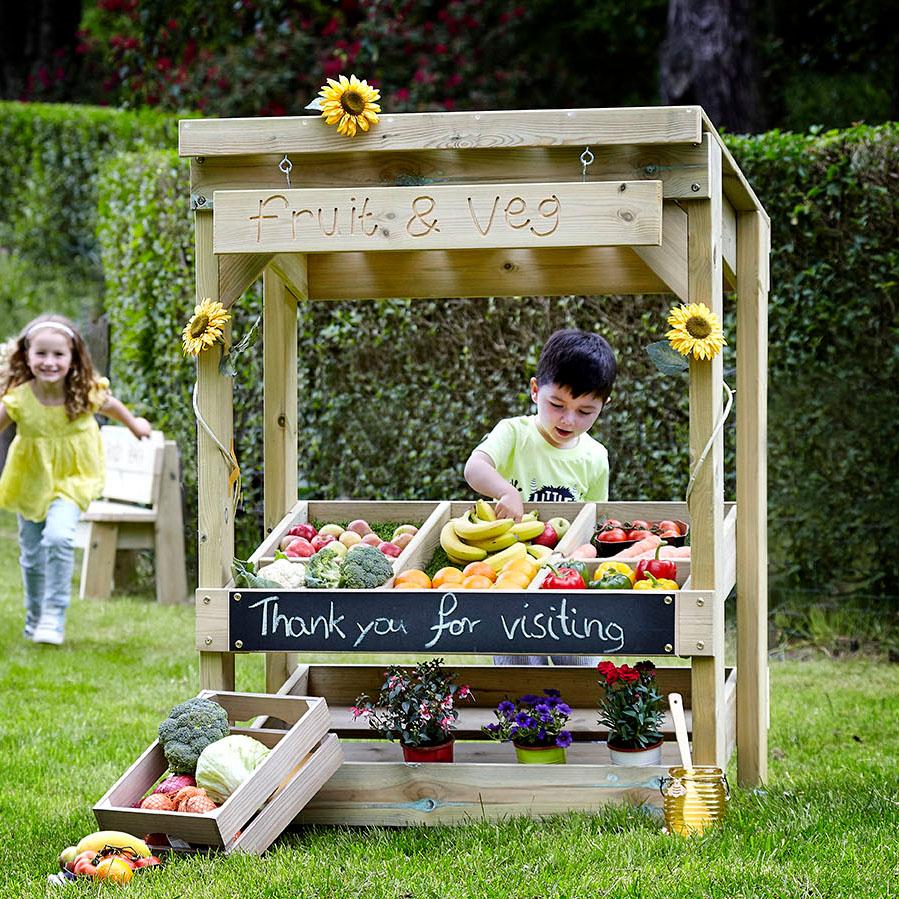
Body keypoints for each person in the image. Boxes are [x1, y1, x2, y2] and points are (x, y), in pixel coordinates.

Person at [464, 328, 617, 667]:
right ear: (535, 390)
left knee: (581, 670)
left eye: (585, 411)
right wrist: (505, 491)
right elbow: (474, 468)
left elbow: (594, 520)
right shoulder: (513, 433)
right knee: (516, 672)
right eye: (557, 405)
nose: (568, 419)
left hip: (566, 582)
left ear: (604, 405)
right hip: (510, 580)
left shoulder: (595, 456)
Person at [0, 315, 151, 645]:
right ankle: (35, 617)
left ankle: (54, 616)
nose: (50, 362)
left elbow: (111, 406)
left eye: (58, 354)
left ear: (73, 357)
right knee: (32, 556)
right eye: (41, 353)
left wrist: (135, 424)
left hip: (74, 478)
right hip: (30, 480)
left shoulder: (82, 392)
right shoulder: (19, 398)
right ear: (26, 355)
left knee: (58, 537)